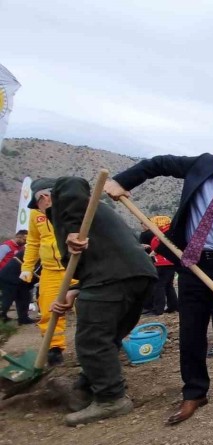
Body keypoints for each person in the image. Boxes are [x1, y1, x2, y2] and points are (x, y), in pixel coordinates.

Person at [104, 137, 213, 423]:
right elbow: (158, 164)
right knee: (192, 331)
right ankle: (195, 392)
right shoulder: (203, 165)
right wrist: (124, 181)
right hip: (192, 262)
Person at [47, 176, 158, 426]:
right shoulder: (101, 214)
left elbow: (73, 186)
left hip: (112, 279)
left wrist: (73, 227)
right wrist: (75, 290)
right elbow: (101, 256)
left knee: (93, 341)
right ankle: (87, 387)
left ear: (47, 197)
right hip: (136, 276)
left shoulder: (74, 210)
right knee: (107, 338)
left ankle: (110, 398)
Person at [20, 178, 70, 366]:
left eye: (41, 198)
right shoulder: (35, 215)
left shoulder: (69, 208)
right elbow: (33, 242)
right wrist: (27, 267)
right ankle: (54, 349)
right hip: (50, 271)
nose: (40, 204)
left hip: (75, 268)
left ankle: (103, 343)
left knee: (89, 307)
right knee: (49, 309)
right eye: (37, 200)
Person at [145, 216, 178, 316]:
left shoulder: (162, 233)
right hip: (171, 263)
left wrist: (151, 253)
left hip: (162, 263)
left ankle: (158, 309)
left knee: (159, 286)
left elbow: (161, 247)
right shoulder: (170, 232)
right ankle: (173, 306)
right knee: (168, 285)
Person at [0, 248, 36, 324]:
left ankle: (23, 318)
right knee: (8, 299)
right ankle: (2, 316)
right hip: (10, 276)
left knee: (24, 298)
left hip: (21, 277)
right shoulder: (32, 249)